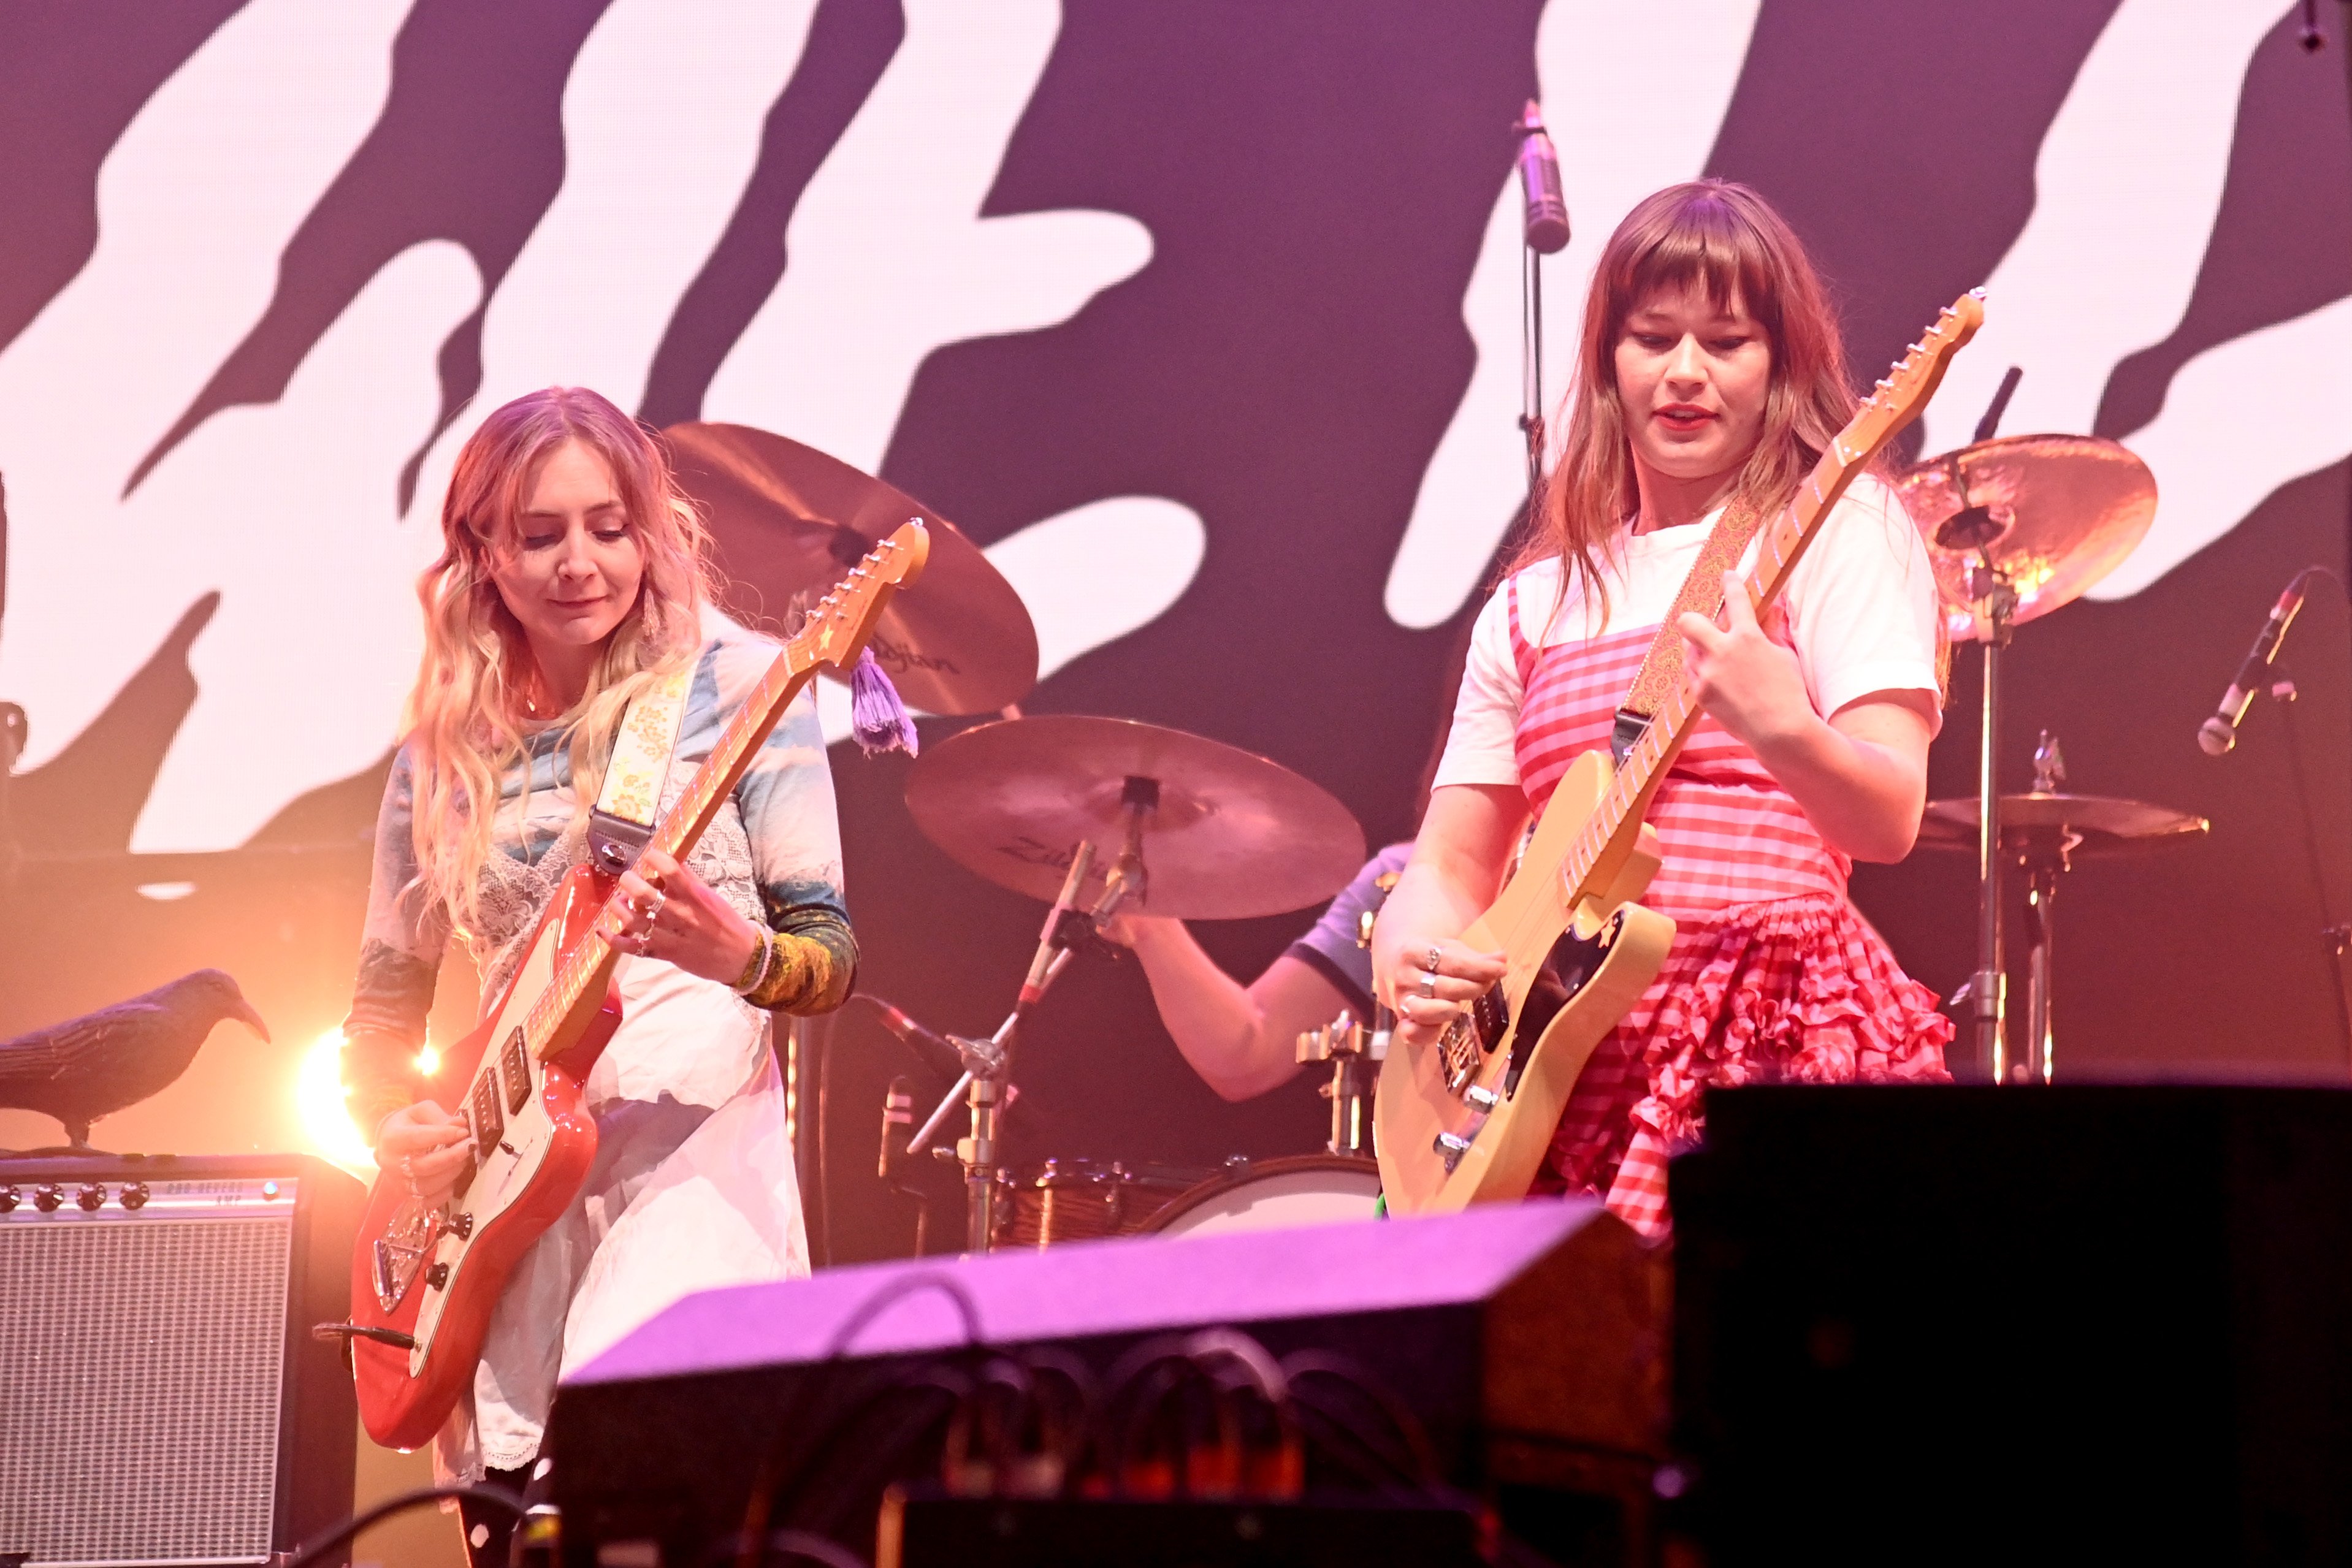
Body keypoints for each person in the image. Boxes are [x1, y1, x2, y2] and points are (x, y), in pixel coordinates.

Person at [1371, 180, 1953, 1239]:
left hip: (1760, 1030)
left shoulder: (1838, 525)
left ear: (1780, 365)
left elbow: (1889, 816)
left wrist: (1783, 728)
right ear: (1608, 363)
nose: (1686, 372)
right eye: (1654, 338)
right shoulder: (1534, 598)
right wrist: (1408, 945)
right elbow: (1453, 862)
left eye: (1726, 341)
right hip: (1545, 1065)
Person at [339, 387, 857, 1564]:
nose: (582, 562)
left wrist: (739, 954)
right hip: (501, 1205)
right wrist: (393, 1122)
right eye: (540, 533)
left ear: (650, 531)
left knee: (647, 1490)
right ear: (481, 553)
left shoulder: (743, 687)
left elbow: (828, 958)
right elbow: (378, 1018)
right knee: (519, 1524)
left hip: (690, 1175)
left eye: (609, 527)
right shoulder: (440, 759)